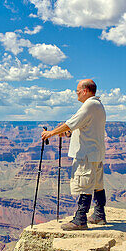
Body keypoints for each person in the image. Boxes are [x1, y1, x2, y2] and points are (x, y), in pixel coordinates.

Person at [41, 78, 106, 230]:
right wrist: (68, 134)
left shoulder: (89, 105)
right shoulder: (98, 105)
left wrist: (51, 133)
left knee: (84, 185)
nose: (76, 93)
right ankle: (99, 215)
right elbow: (84, 127)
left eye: (77, 90)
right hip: (96, 153)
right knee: (97, 185)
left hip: (86, 155)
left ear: (85, 91)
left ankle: (80, 220)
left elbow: (71, 123)